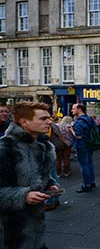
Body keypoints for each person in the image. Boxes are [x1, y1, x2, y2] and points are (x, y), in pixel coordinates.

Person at [0, 101, 59, 248]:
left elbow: (41, 175)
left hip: (35, 229)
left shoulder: (44, 147)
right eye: (43, 119)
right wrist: (22, 195)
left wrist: (50, 185)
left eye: (49, 117)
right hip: (8, 232)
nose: (49, 121)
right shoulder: (5, 148)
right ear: (24, 122)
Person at [71, 103, 97, 193]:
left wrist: (71, 130)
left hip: (81, 145)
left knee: (84, 165)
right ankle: (92, 181)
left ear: (79, 109)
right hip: (90, 144)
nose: (71, 110)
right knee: (90, 163)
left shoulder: (79, 122)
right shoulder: (89, 119)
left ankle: (86, 184)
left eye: (73, 108)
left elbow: (78, 136)